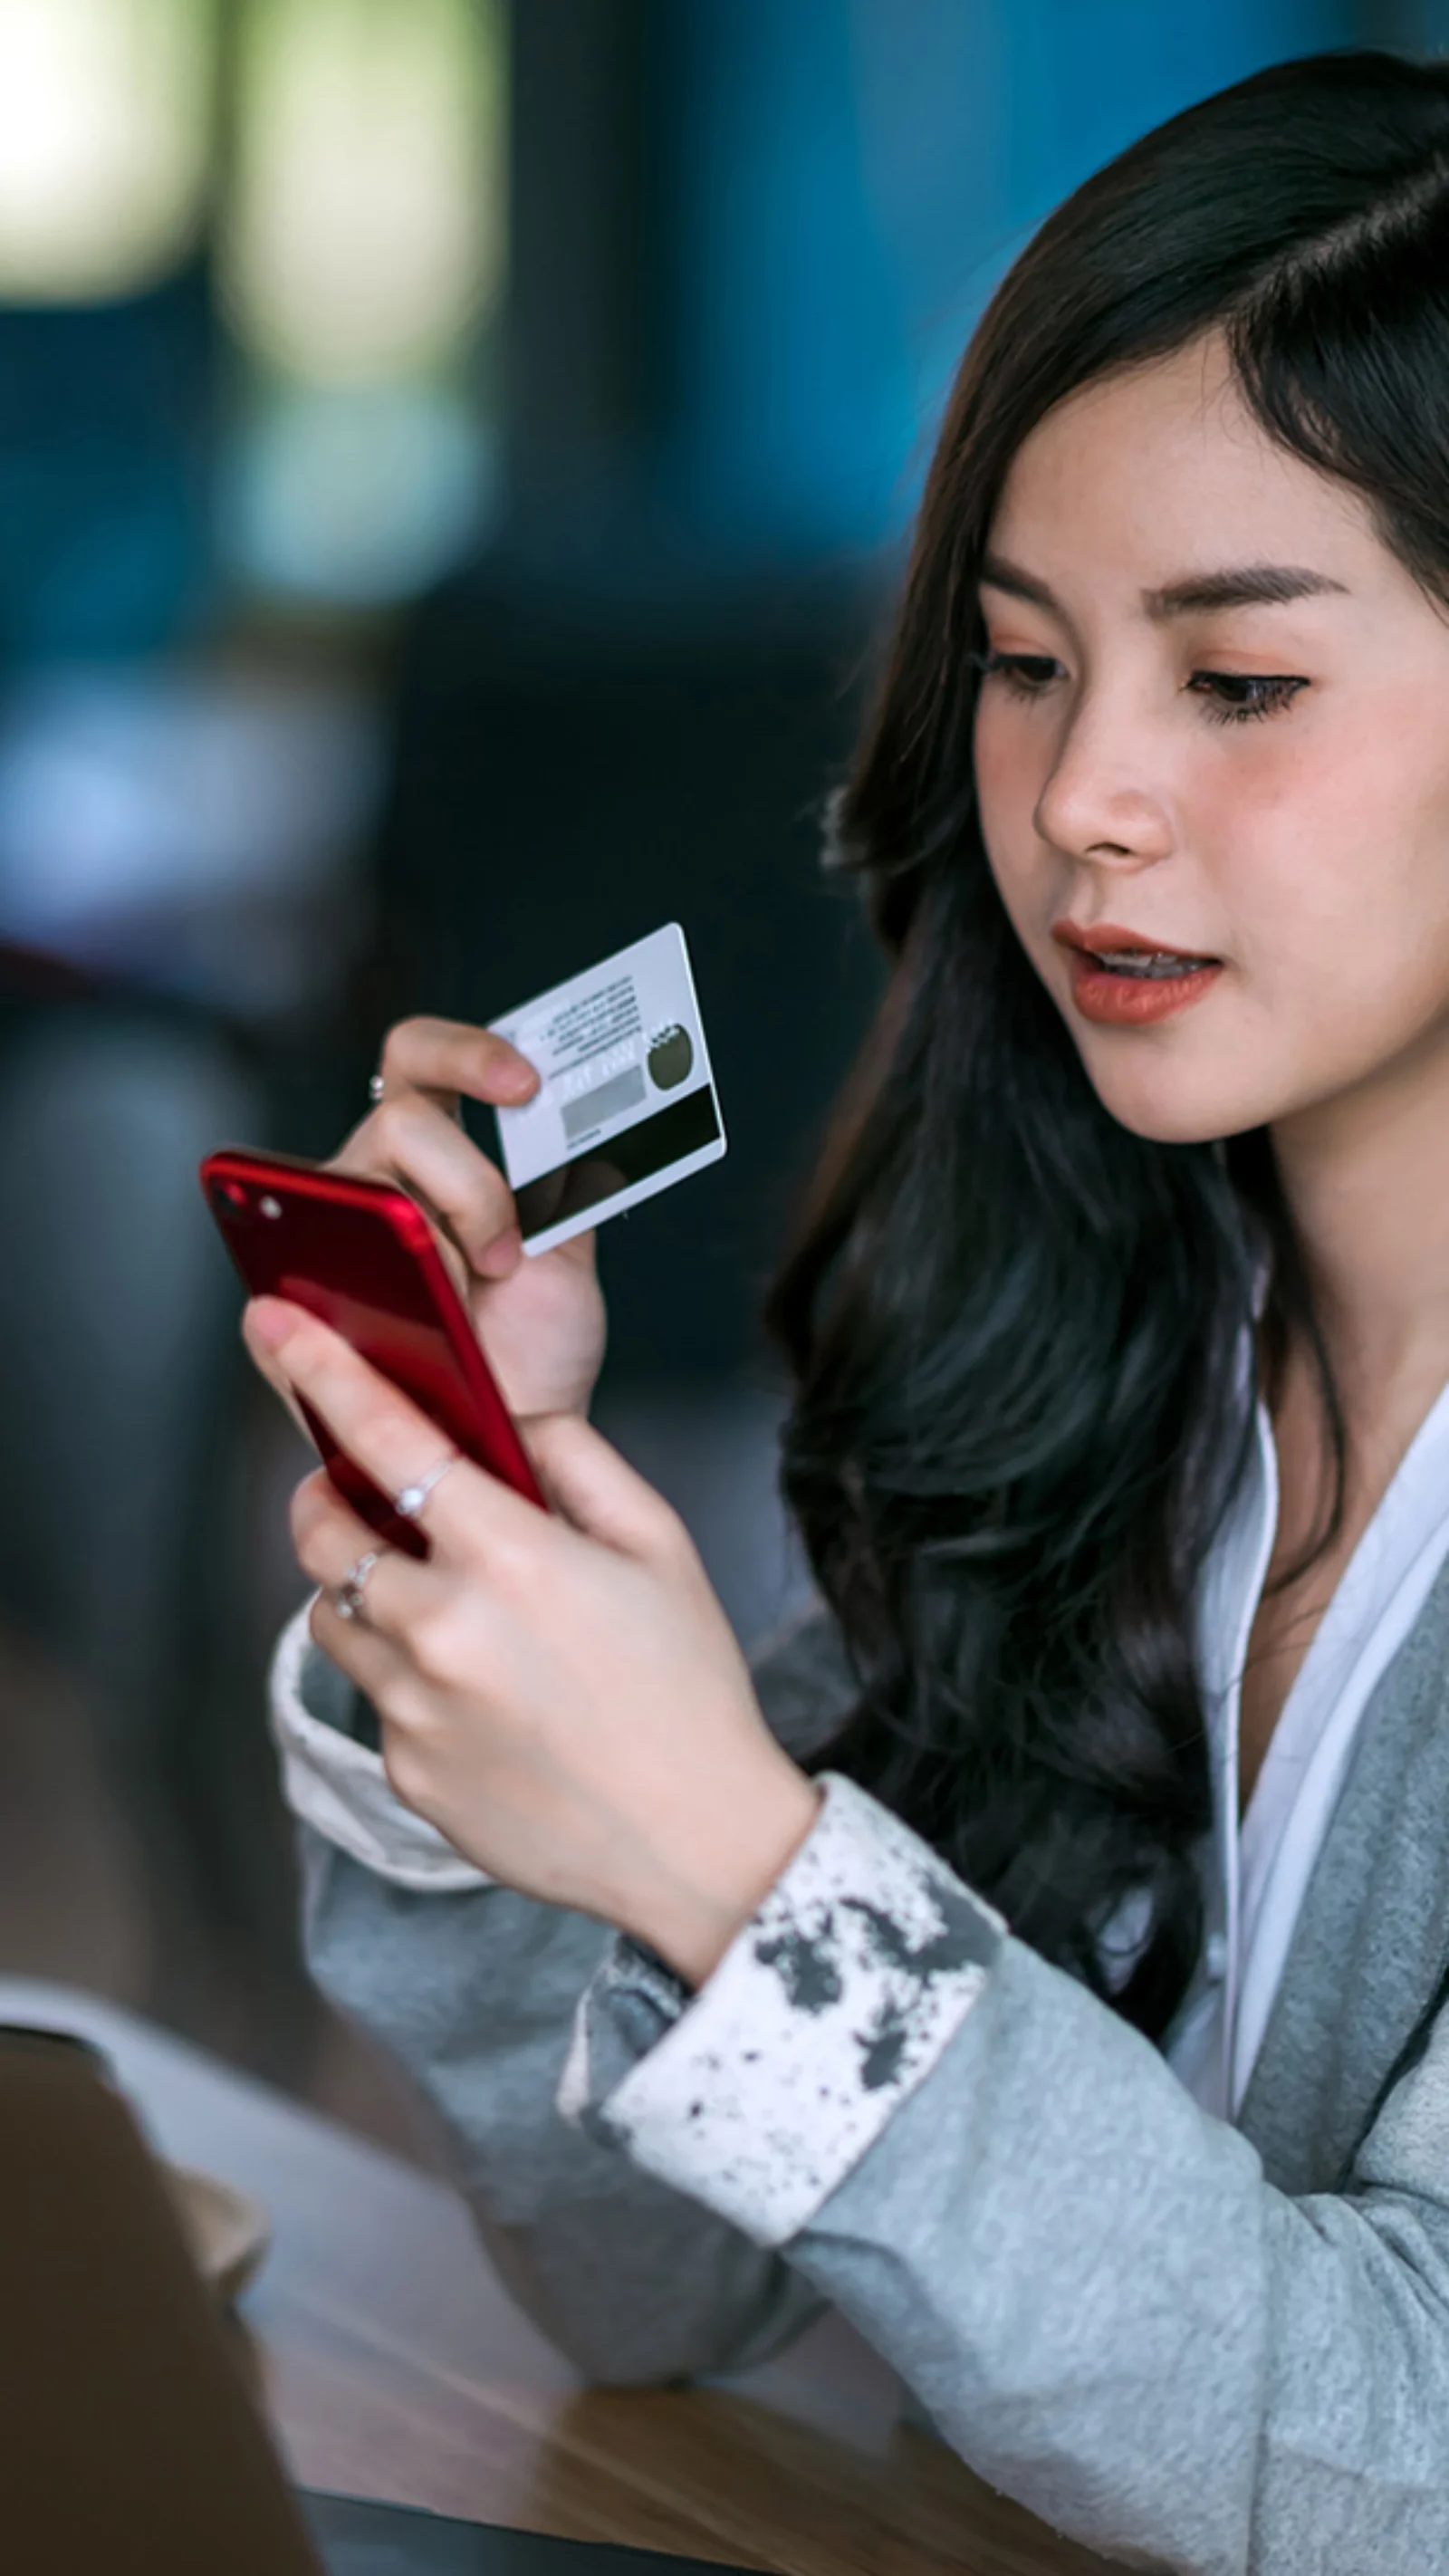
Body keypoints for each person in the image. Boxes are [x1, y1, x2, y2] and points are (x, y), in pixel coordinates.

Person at [244, 51, 1449, 2574]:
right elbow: (646, 2272)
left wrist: (734, 1850)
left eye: (1237, 683)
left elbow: (1394, 2458)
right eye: (1021, 662)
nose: (1084, 790)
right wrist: (458, 1513)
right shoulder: (1113, 1365)